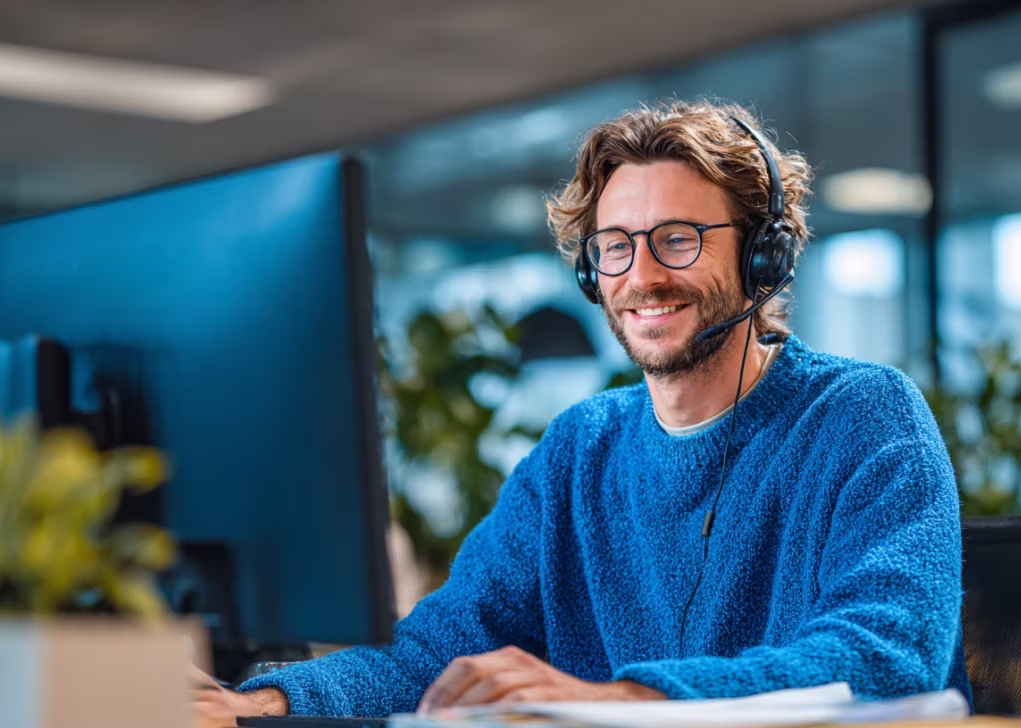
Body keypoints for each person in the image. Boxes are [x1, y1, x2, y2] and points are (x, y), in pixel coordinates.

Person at [194, 99, 970, 725]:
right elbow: (440, 647)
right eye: (616, 247)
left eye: (679, 238)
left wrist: (620, 700)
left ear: (765, 256)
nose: (643, 276)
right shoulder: (578, 449)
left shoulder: (863, 417)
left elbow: (883, 656)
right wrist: (258, 704)